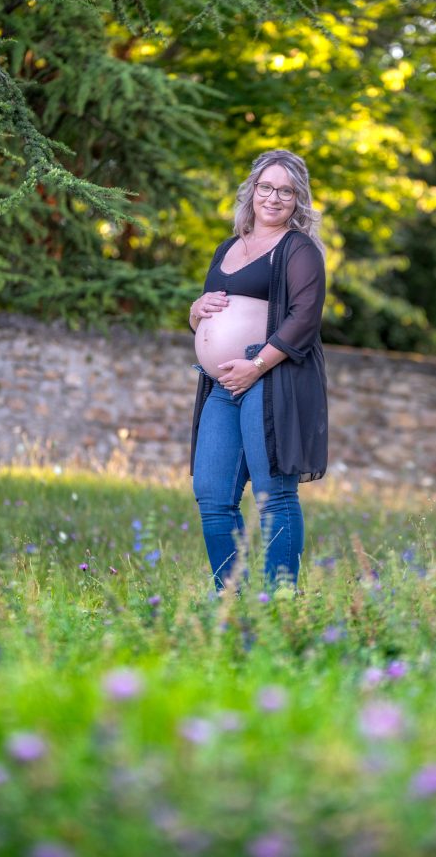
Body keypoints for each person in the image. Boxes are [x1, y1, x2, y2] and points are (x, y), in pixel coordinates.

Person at [188, 148, 327, 594]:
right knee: (212, 495)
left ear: (298, 199)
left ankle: (281, 599)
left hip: (271, 379)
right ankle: (231, 598)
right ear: (251, 191)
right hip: (221, 384)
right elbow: (213, 310)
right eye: (266, 187)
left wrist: (256, 364)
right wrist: (196, 311)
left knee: (274, 495)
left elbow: (305, 317)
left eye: (286, 191)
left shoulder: (298, 248)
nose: (274, 198)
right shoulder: (227, 247)